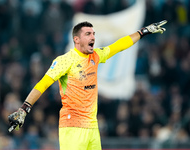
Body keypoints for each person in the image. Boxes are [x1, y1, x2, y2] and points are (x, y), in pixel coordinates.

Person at [8, 20, 167, 150]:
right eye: (88, 34)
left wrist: (143, 31)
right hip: (72, 126)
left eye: (93, 34)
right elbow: (42, 84)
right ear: (76, 39)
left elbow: (119, 45)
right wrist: (24, 108)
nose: (93, 37)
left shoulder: (96, 56)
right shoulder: (65, 60)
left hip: (92, 127)